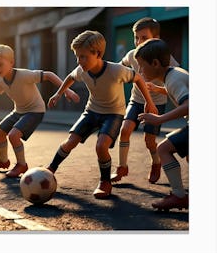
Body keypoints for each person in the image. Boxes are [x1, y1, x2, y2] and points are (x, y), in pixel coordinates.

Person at [46, 30, 156, 199]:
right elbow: (70, 77)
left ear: (97, 53)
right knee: (70, 141)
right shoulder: (82, 70)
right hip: (91, 111)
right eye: (77, 56)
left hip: (113, 114)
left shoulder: (117, 70)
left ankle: (105, 182)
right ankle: (50, 170)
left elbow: (139, 79)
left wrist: (149, 102)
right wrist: (59, 93)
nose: (79, 61)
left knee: (101, 146)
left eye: (83, 56)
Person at [0, 44, 80, 178]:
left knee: (14, 135)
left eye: (0, 64)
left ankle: (22, 165)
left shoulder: (24, 75)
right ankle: (4, 161)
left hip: (35, 110)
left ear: (11, 62)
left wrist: (67, 90)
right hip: (19, 111)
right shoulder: (0, 81)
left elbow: (49, 75)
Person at [111, 17, 179, 184]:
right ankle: (122, 167)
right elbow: (119, 66)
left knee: (149, 141)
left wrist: (158, 89)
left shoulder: (166, 58)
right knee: (125, 130)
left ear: (155, 39)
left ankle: (156, 162)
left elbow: (176, 76)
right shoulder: (132, 55)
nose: (138, 42)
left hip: (157, 103)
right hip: (137, 99)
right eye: (136, 37)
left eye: (144, 38)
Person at [136, 38, 189, 211]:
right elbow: (178, 89)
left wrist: (159, 119)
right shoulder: (174, 74)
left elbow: (189, 104)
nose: (139, 70)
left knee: (163, 149)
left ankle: (179, 196)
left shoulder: (173, 79)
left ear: (156, 63)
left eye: (142, 66)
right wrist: (159, 89)